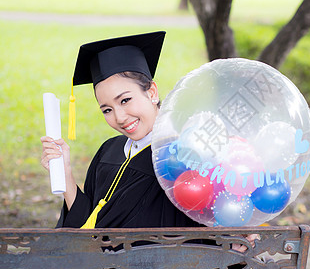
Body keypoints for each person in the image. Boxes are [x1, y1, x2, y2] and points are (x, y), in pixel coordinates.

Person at [40, 31, 203, 229]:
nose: (119, 117)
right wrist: (65, 174)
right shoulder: (109, 151)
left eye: (125, 100)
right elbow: (87, 228)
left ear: (151, 92)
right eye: (107, 110)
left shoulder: (182, 155)